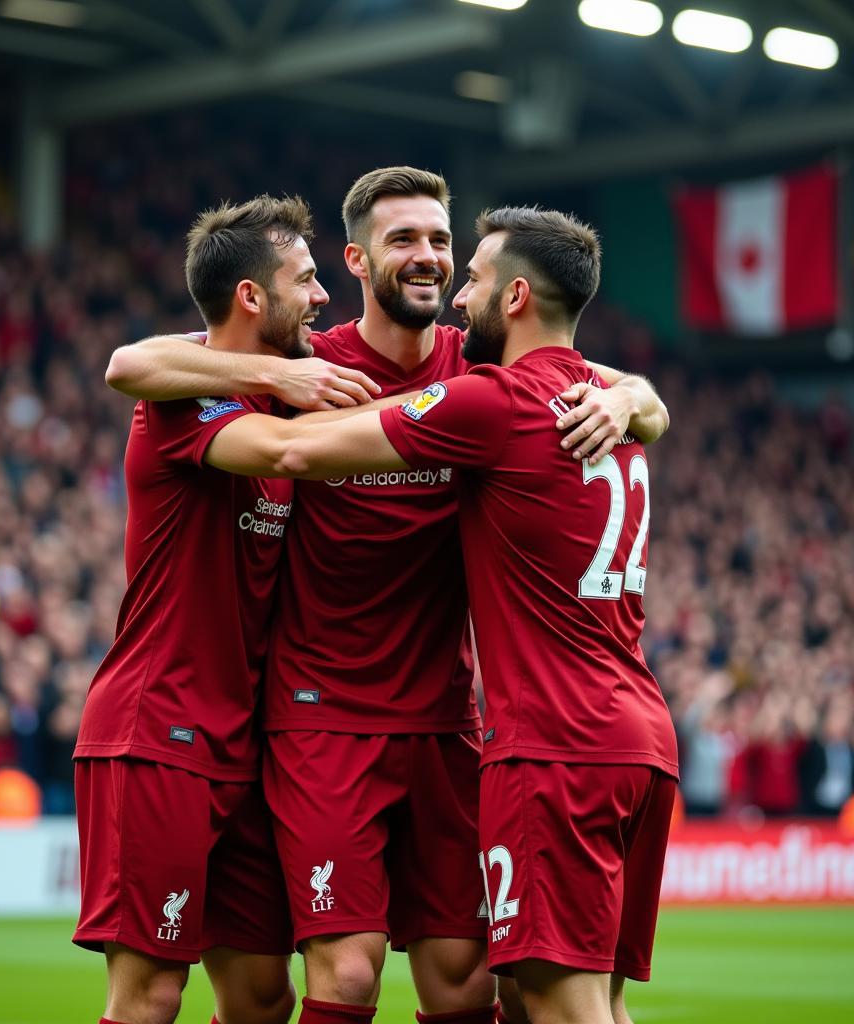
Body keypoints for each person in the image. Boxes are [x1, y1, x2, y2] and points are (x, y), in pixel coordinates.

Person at [106, 171, 667, 1024]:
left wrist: (634, 395)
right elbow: (136, 366)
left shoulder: (476, 368)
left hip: (447, 721)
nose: (429, 257)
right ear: (358, 260)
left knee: (468, 980)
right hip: (321, 714)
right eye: (404, 239)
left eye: (442, 242)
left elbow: (608, 377)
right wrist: (279, 378)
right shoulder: (305, 362)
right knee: (350, 976)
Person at [72, 195, 357, 1024]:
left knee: (264, 994)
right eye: (307, 279)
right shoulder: (188, 394)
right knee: (154, 992)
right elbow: (127, 361)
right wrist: (273, 373)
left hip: (250, 741)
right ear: (251, 298)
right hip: (158, 728)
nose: (323, 296)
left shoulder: (286, 384)